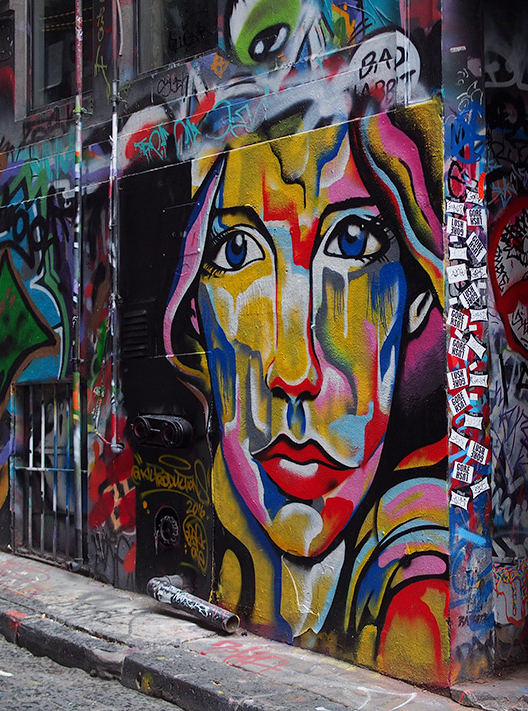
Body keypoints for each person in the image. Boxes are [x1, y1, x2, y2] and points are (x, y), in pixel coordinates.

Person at [165, 103, 450, 683]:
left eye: (352, 240)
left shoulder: (425, 572)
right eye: (237, 251)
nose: (295, 374)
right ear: (196, 313)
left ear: (418, 298)